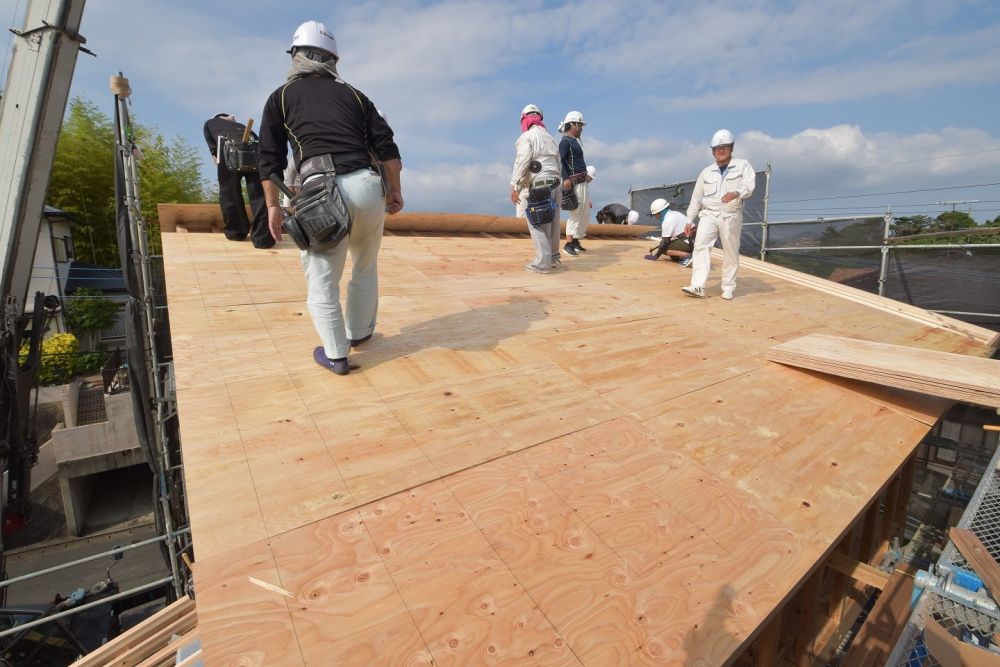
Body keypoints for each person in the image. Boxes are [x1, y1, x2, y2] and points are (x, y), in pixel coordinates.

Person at [258, 20, 403, 376]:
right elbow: (387, 148)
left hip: (323, 191)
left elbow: (268, 159)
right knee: (365, 267)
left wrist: (273, 207)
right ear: (333, 59)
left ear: (296, 56)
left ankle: (336, 354)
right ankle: (360, 333)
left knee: (322, 280)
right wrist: (395, 190)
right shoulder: (356, 95)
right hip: (369, 187)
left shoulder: (280, 97)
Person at [681, 129, 755, 300]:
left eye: (725, 147)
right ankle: (698, 285)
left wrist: (737, 193)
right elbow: (697, 197)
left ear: (732, 148)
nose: (721, 150)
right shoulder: (706, 172)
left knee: (730, 251)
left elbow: (749, 185)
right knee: (700, 246)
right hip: (709, 214)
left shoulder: (743, 165)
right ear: (712, 150)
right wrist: (689, 219)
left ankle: (728, 286)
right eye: (717, 148)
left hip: (731, 214)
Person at [203, 113, 272, 247]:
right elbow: (258, 143)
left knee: (229, 192)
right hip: (253, 147)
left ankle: (237, 232)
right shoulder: (237, 125)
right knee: (259, 194)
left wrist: (223, 173)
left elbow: (214, 151)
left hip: (227, 146)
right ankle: (264, 238)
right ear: (226, 116)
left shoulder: (209, 124)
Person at [510, 104, 562, 274]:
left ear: (524, 119)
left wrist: (516, 186)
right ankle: (553, 257)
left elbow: (523, 161)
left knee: (536, 222)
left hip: (541, 186)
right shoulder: (551, 138)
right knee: (553, 222)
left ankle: (542, 264)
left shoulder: (527, 136)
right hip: (556, 186)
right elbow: (559, 164)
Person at [558, 111, 592, 256]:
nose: (581, 129)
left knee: (584, 213)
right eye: (580, 125)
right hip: (573, 182)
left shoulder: (573, 141)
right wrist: (565, 178)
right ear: (573, 124)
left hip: (581, 182)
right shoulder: (565, 141)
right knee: (576, 212)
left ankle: (576, 241)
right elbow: (559, 161)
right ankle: (569, 243)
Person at [644, 198, 694, 265]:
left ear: (659, 213)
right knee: (673, 256)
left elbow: (664, 242)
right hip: (694, 241)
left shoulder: (667, 220)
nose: (655, 217)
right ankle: (684, 257)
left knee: (664, 249)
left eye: (655, 215)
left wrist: (656, 256)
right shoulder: (675, 213)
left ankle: (688, 256)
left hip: (690, 243)